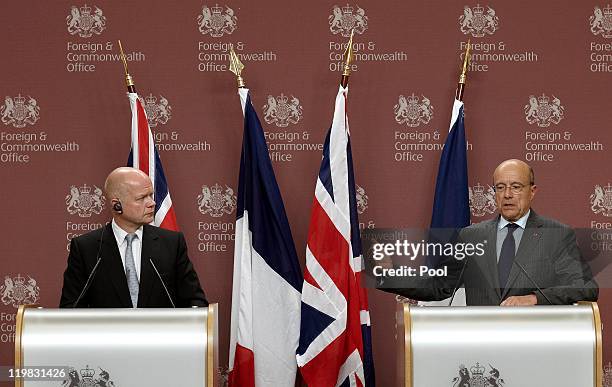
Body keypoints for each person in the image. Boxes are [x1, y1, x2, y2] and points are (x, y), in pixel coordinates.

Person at [379, 159, 598, 306]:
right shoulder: (471, 236)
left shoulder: (556, 235)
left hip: (535, 345)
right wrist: (391, 275)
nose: (508, 194)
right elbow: (439, 286)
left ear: (532, 192)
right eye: (500, 187)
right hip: (483, 349)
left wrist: (533, 298)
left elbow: (586, 288)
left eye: (516, 187)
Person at [60, 167, 207, 308]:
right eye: (141, 198)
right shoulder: (86, 248)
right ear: (117, 205)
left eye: (151, 195)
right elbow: (71, 308)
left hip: (160, 333)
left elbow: (195, 301)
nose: (152, 203)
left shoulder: (172, 243)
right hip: (107, 333)